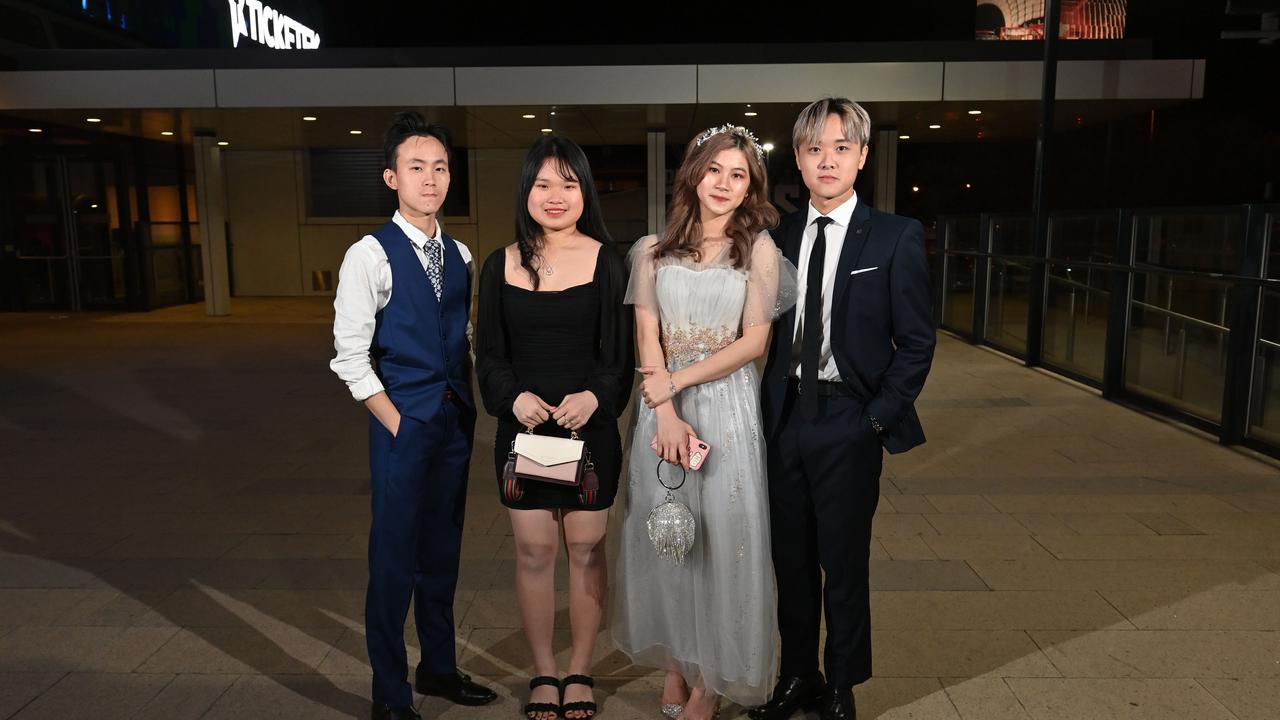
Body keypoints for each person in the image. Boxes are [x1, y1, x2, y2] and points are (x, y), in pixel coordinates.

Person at [752, 98, 936, 720]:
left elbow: (916, 343)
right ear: (798, 162)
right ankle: (797, 674)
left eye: (839, 148)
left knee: (844, 561)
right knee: (791, 559)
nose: (826, 160)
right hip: (786, 418)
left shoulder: (894, 236)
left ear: (862, 155)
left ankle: (841, 684)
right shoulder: (774, 237)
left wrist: (875, 420)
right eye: (813, 149)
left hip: (849, 419)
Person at [612, 124, 796, 720]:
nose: (724, 183)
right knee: (667, 537)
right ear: (693, 173)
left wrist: (679, 383)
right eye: (714, 169)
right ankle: (677, 664)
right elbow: (647, 334)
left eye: (738, 175)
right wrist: (662, 410)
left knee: (723, 539)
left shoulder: (759, 250)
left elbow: (754, 343)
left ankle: (712, 680)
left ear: (751, 189)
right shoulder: (650, 250)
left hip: (725, 407)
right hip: (661, 413)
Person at [330, 110, 497, 720]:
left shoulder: (460, 253)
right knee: (393, 560)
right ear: (391, 177)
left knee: (443, 553)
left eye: (440, 167)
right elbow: (349, 355)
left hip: (454, 422)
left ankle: (439, 668)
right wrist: (396, 421)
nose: (430, 178)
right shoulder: (368, 254)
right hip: (403, 424)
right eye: (416, 167)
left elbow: (463, 333)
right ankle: (389, 697)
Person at [476, 136, 632, 720]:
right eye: (543, 184)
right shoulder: (501, 263)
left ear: (584, 191)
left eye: (568, 184)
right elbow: (488, 354)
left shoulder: (607, 261)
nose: (556, 196)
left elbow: (617, 358)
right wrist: (510, 398)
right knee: (536, 550)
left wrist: (595, 396)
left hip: (588, 429)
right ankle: (545, 670)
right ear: (526, 191)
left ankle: (580, 670)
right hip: (526, 431)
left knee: (586, 547)